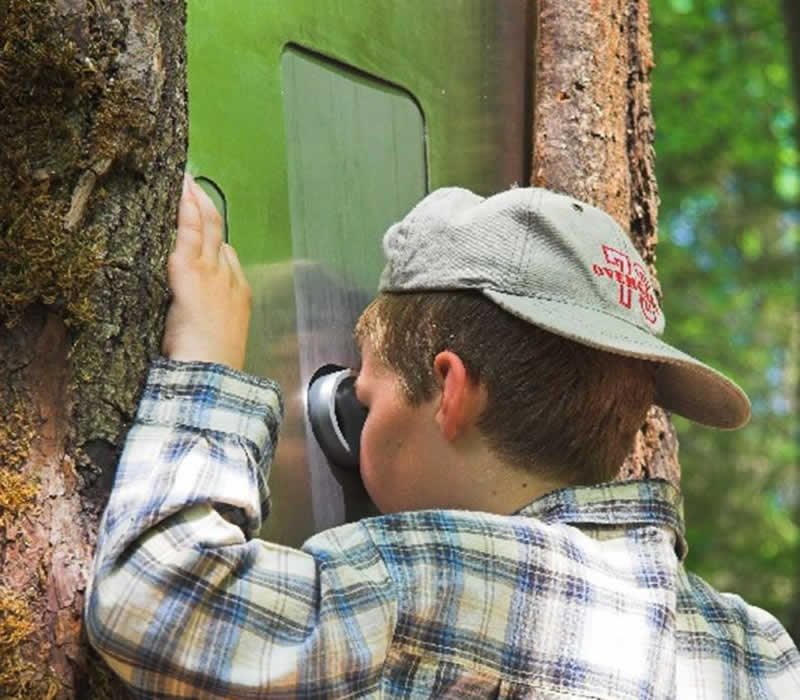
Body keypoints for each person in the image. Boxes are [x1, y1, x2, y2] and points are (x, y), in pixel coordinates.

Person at [85, 176, 800, 698]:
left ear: (450, 391)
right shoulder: (757, 651)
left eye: (362, 398)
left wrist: (208, 368)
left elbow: (159, 601)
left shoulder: (430, 578)